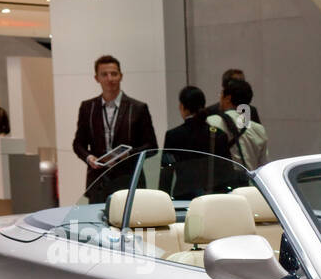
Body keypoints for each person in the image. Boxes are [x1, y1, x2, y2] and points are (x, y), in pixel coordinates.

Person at [72, 54, 158, 193]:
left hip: (129, 180)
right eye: (104, 74)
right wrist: (89, 158)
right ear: (96, 78)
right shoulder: (88, 107)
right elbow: (78, 144)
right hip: (98, 180)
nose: (110, 79)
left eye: (114, 74)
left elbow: (152, 146)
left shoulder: (138, 108)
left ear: (121, 76)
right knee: (95, 215)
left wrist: (129, 154)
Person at [163, 85, 225, 198]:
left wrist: (163, 200)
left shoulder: (173, 135)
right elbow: (226, 172)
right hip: (213, 198)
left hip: (183, 196)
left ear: (182, 107)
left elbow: (166, 174)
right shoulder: (218, 134)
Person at [206, 77, 268, 169]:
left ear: (227, 98)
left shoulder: (212, 122)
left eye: (221, 94)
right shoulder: (259, 130)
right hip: (250, 182)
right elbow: (263, 166)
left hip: (225, 181)